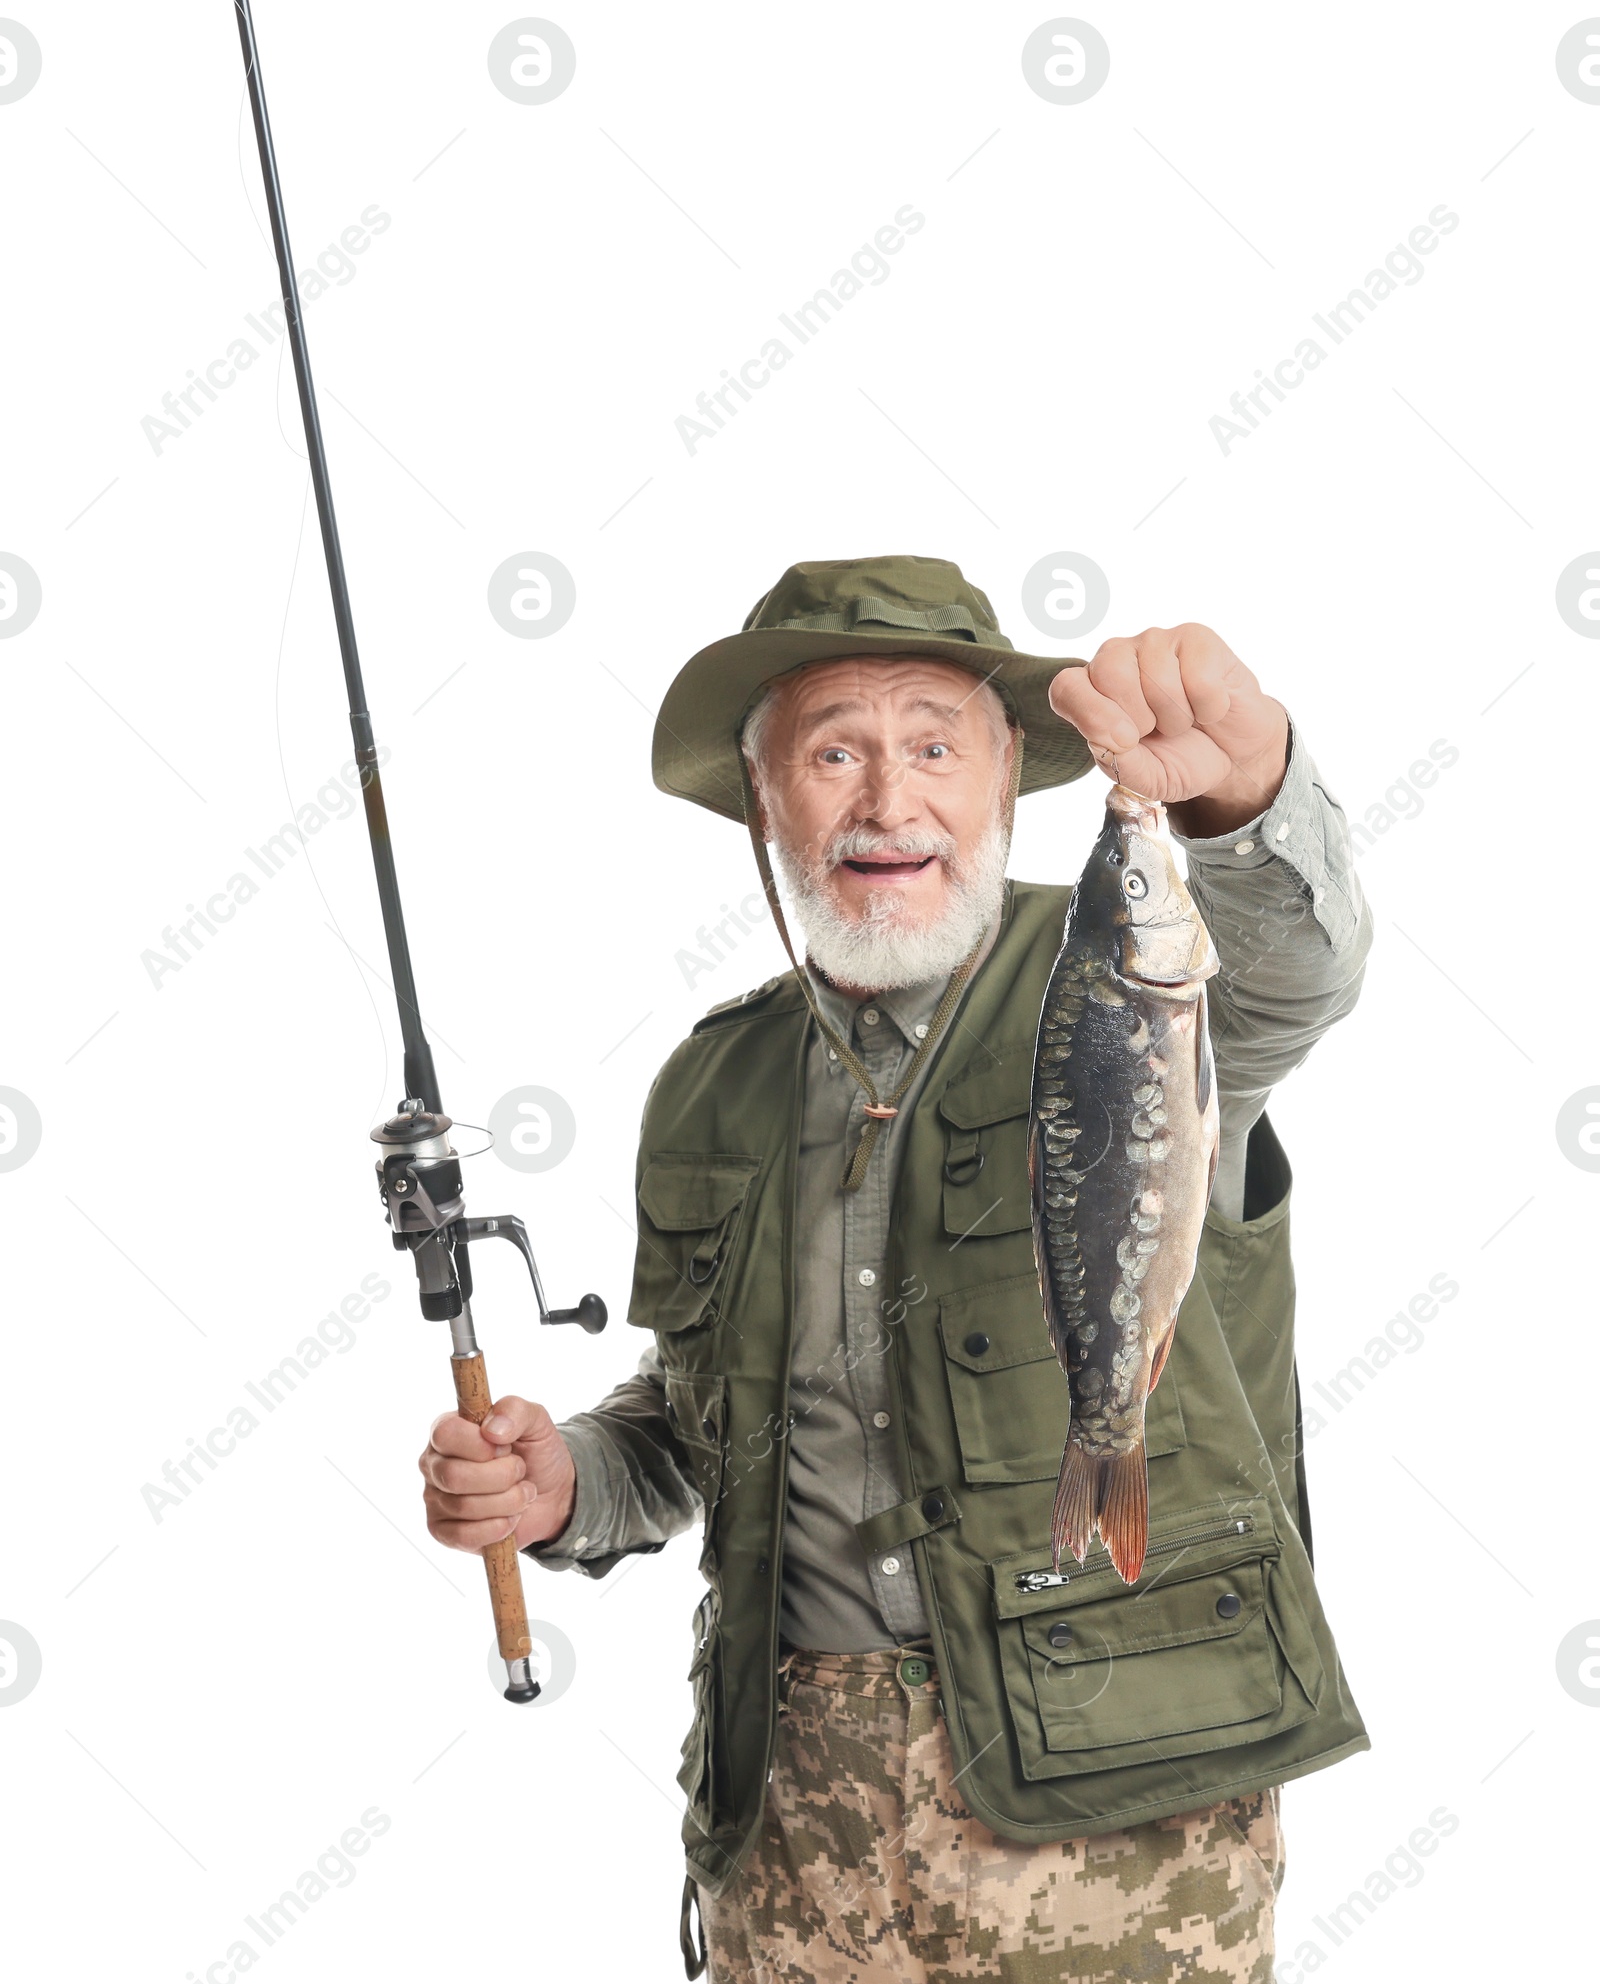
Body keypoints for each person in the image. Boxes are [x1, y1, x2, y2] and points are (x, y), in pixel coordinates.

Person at [419, 557, 1373, 1982]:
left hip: (1120, 1817)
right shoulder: (714, 1079)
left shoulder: (1128, 960)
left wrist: (1245, 794)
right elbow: (705, 1420)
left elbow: (1295, 968)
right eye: (833, 752)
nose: (888, 799)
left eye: (934, 743)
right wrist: (572, 1479)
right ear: (766, 802)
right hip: (793, 1833)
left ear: (1003, 778)